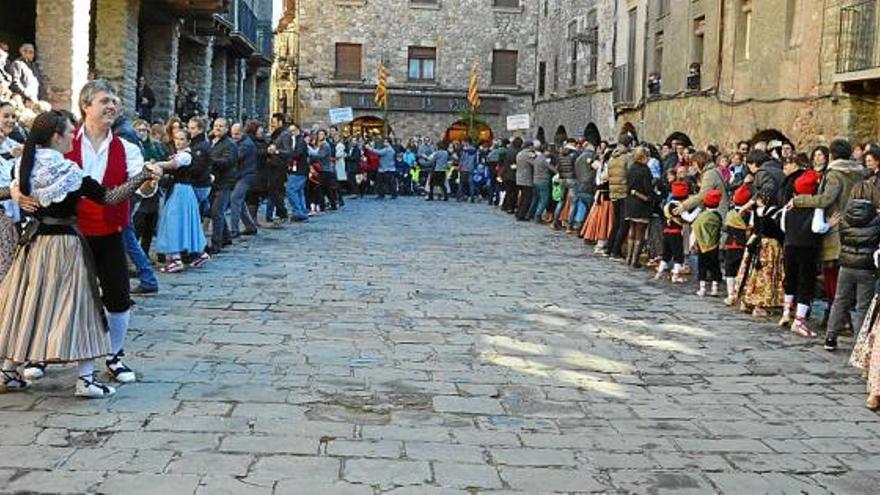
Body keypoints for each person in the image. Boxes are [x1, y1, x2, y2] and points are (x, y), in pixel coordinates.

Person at [1, 110, 160, 396]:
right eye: (68, 132)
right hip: (64, 246)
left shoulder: (25, 164)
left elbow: (13, 189)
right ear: (56, 137)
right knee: (81, 306)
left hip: (34, 245)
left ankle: (9, 371)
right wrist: (143, 176)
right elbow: (111, 197)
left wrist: (13, 191)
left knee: (28, 304)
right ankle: (85, 379)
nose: (73, 137)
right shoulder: (68, 171)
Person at [792, 139, 864, 328]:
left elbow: (826, 199)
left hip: (836, 228)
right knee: (847, 274)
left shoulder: (835, 174)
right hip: (856, 226)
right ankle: (843, 315)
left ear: (832, 154)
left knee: (833, 273)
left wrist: (799, 200)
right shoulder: (860, 173)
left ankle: (838, 316)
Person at [779, 170, 830, 336]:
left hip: (790, 245)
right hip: (807, 248)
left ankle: (786, 313)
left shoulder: (788, 206)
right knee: (805, 283)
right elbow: (817, 228)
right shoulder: (816, 208)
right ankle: (799, 321)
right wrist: (829, 224)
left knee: (790, 280)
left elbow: (783, 227)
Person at [155, 129, 209, 273]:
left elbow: (173, 165)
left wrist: (157, 164)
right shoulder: (181, 155)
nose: (178, 142)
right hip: (181, 190)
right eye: (176, 139)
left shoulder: (185, 156)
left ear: (188, 141)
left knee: (174, 222)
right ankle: (197, 254)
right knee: (183, 222)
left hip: (182, 191)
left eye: (181, 139)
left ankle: (177, 258)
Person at [207, 117, 237, 253]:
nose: (217, 128)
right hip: (214, 182)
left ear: (226, 129)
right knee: (216, 211)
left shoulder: (229, 144)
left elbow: (227, 161)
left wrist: (209, 160)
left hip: (225, 182)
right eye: (216, 125)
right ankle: (226, 237)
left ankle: (216, 244)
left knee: (217, 212)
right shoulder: (211, 142)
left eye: (221, 126)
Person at [623, 147, 654, 268]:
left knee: (632, 229)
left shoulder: (631, 168)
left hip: (630, 202)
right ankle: (635, 260)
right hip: (641, 203)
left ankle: (628, 258)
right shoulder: (645, 170)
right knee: (640, 231)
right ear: (643, 157)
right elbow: (648, 189)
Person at [656, 176, 689, 283]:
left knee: (666, 254)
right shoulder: (680, 206)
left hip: (666, 232)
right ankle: (675, 275)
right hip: (676, 233)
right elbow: (688, 218)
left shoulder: (668, 205)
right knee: (678, 255)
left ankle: (659, 273)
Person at [723, 185, 752, 305]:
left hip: (730, 244)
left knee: (730, 270)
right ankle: (740, 294)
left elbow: (725, 228)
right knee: (743, 270)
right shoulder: (748, 214)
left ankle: (730, 293)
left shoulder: (729, 214)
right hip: (743, 245)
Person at [604, 136, 632, 258]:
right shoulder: (626, 158)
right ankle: (616, 250)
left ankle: (609, 248)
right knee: (624, 223)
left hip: (613, 192)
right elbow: (629, 174)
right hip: (623, 192)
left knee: (616, 222)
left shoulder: (612, 158)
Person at [229, 122, 258, 237]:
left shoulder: (246, 144)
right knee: (240, 202)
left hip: (246, 175)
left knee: (235, 199)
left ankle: (234, 229)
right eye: (232, 134)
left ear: (242, 133)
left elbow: (236, 156)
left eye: (236, 134)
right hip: (241, 175)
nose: (234, 137)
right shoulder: (241, 142)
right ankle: (250, 226)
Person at [692, 189, 724, 297]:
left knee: (702, 267)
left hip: (702, 246)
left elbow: (695, 227)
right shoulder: (718, 216)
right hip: (714, 245)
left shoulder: (701, 217)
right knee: (715, 266)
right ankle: (714, 288)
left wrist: (693, 243)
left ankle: (702, 288)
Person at [514, 141, 536, 218]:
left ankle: (518, 212)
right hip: (526, 178)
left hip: (519, 178)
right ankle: (522, 214)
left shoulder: (519, 153)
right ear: (530, 146)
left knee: (523, 197)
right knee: (527, 198)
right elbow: (534, 163)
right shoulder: (528, 154)